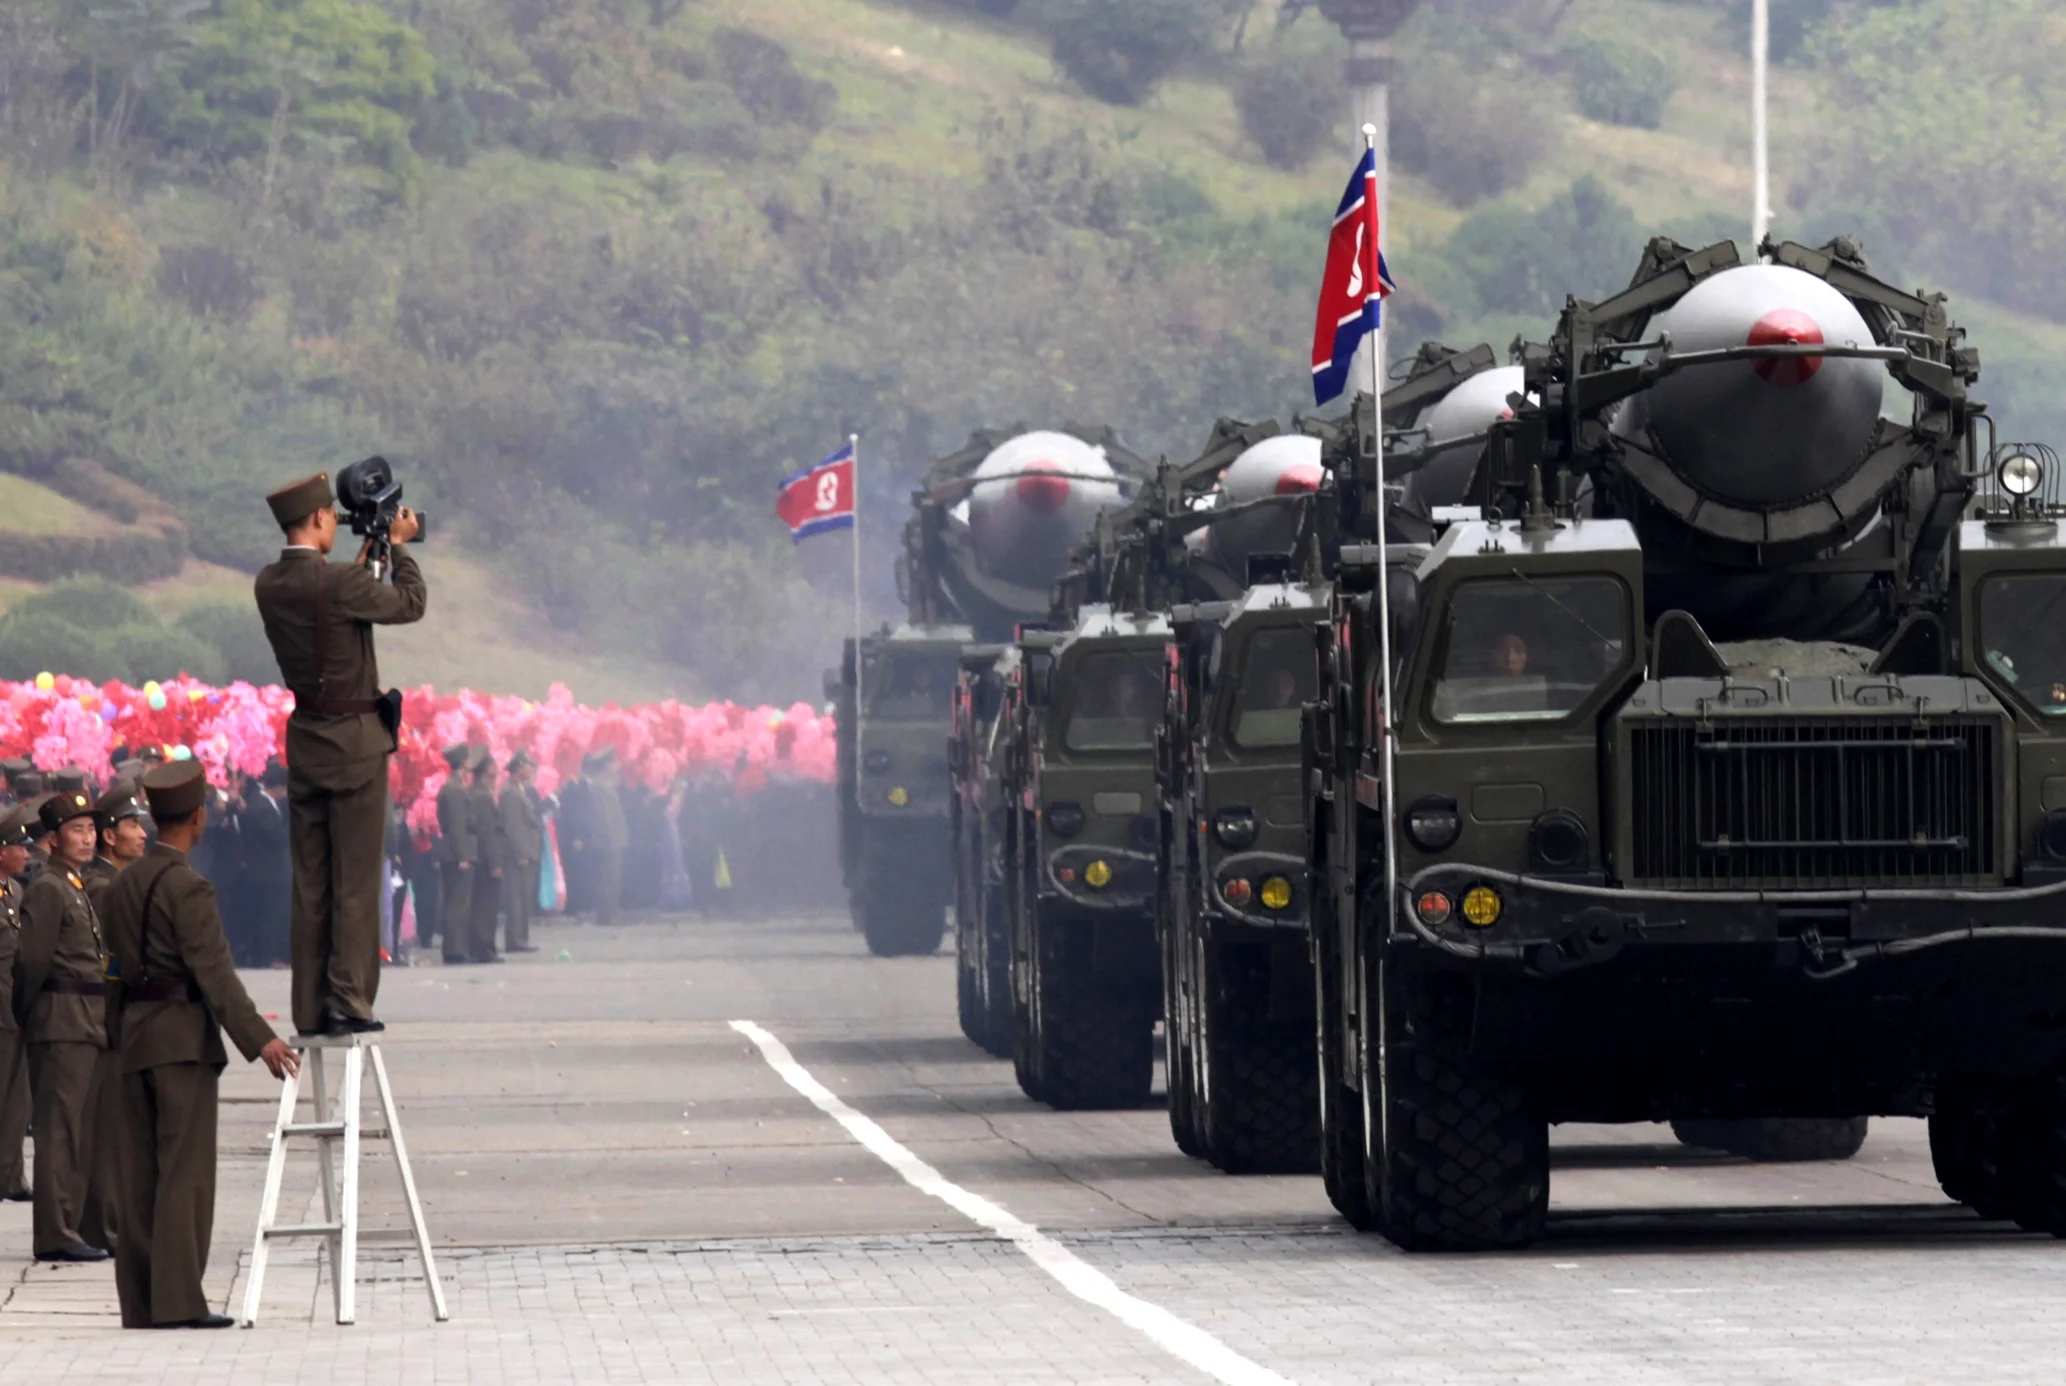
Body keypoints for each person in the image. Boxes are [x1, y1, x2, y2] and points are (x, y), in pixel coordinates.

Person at [103, 761, 299, 1330]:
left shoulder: (120, 885)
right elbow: (214, 973)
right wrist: (259, 1039)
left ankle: (140, 1304)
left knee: (139, 1177)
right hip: (182, 1040)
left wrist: (115, 1031)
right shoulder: (189, 887)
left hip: (134, 1035)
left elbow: (113, 969)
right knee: (183, 1175)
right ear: (197, 818)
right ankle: (180, 1301)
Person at [253, 470, 425, 1036]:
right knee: (355, 883)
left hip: (307, 744)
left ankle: (310, 1006)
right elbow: (408, 605)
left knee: (313, 885)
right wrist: (397, 549)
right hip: (355, 749)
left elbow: (330, 597)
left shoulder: (269, 583)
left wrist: (366, 553)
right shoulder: (339, 585)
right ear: (322, 518)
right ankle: (348, 1000)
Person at [14, 788, 116, 1261]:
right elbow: (31, 963)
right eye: (77, 830)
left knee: (80, 1129)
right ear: (53, 839)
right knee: (58, 1131)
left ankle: (75, 1225)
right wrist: (30, 1015)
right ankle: (55, 1233)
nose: (87, 837)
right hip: (60, 1022)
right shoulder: (48, 888)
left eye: (92, 829)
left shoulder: (74, 884)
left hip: (86, 1020)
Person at [0, 806, 35, 1203]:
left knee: (16, 1100)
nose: (26, 854)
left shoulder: (16, 891)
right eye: (17, 847)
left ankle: (11, 1175)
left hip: (13, 1009)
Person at [237, 763, 293, 968]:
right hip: (267, 872)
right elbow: (278, 838)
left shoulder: (259, 803)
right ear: (278, 787)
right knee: (269, 916)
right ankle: (266, 957)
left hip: (263, 870)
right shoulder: (262, 806)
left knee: (265, 915)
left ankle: (265, 955)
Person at [434, 744, 477, 965]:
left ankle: (455, 948)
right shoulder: (455, 790)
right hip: (456, 851)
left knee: (456, 901)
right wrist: (463, 855)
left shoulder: (453, 787)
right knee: (457, 902)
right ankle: (455, 949)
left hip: (452, 850)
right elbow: (457, 825)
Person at [499, 752, 543, 954]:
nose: (531, 769)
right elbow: (513, 825)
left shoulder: (519, 789)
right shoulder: (510, 792)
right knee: (517, 897)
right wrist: (521, 852)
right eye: (528, 766)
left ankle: (521, 937)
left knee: (524, 897)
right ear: (518, 768)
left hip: (529, 850)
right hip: (521, 853)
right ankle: (515, 939)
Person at [84, 785, 151, 915]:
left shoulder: (121, 879)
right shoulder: (102, 887)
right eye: (134, 825)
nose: (143, 834)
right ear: (110, 837)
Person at [466, 750, 506, 964]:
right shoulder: (482, 797)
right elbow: (488, 833)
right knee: (486, 906)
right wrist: (495, 863)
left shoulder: (477, 794)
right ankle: (483, 948)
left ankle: (484, 946)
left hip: (480, 858)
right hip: (486, 860)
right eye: (493, 775)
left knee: (483, 904)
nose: (496, 779)